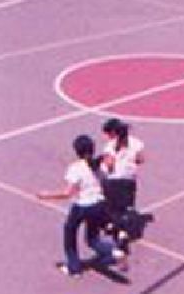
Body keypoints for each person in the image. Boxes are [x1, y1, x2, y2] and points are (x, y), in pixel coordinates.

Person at [36, 134, 125, 277]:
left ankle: (74, 267)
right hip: (99, 204)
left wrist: (46, 195)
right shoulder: (99, 165)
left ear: (76, 151)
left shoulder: (75, 168)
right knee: (92, 239)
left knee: (69, 233)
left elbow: (68, 193)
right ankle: (112, 251)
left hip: (82, 207)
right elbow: (108, 174)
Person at [101, 118, 145, 249]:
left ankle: (119, 231)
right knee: (125, 207)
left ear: (113, 133)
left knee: (113, 208)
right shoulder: (137, 143)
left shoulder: (110, 146)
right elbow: (140, 159)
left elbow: (109, 165)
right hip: (129, 179)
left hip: (113, 180)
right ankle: (122, 230)